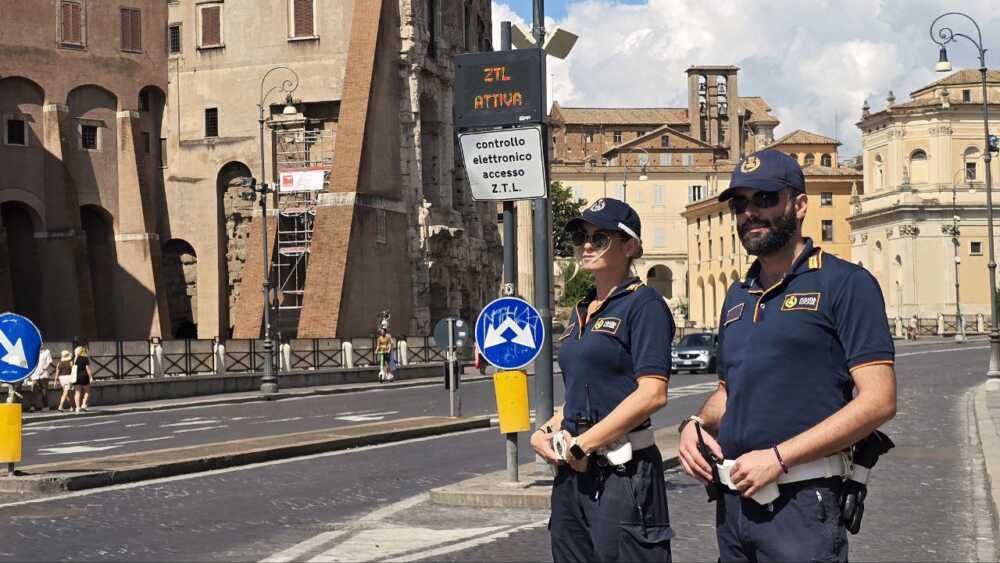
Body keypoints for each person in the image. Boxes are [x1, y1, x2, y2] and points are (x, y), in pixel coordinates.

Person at [676, 150, 897, 562]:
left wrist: (779, 458)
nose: (750, 213)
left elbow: (878, 400)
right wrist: (696, 423)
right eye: (740, 204)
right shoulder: (738, 296)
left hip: (802, 505)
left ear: (798, 205)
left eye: (764, 199)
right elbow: (730, 390)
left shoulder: (846, 284)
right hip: (734, 509)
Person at [530, 198, 674, 563]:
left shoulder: (645, 305)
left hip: (623, 473)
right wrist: (544, 432)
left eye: (600, 237)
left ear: (630, 246)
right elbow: (583, 395)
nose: (587, 245)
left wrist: (585, 444)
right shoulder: (582, 309)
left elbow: (653, 393)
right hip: (572, 476)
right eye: (581, 237)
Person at [24, 348, 53, 412]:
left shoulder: (47, 352)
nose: (41, 344)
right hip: (35, 374)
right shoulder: (34, 351)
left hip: (43, 374)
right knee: (34, 390)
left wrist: (44, 369)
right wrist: (28, 376)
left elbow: (49, 361)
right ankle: (32, 406)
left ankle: (45, 406)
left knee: (44, 391)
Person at [73, 345, 93, 412]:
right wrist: (90, 377)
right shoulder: (85, 358)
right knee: (88, 391)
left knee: (77, 392)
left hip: (76, 376)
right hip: (84, 376)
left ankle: (77, 408)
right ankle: (84, 404)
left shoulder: (75, 358)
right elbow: (87, 368)